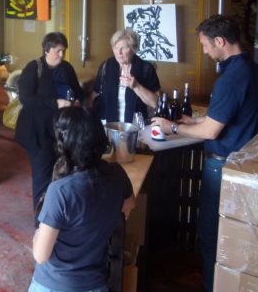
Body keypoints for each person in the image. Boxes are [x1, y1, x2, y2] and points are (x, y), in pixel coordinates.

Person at [152, 15, 258, 291]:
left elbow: (211, 132)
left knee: (213, 236)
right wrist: (192, 122)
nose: (204, 51)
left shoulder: (232, 78)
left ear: (220, 41)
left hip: (223, 167)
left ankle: (213, 285)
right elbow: (230, 119)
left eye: (205, 45)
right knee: (231, 239)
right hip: (243, 167)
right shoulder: (253, 71)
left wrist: (173, 129)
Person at [30, 107, 135, 292]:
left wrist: (38, 234)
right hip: (96, 284)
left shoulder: (60, 191)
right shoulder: (117, 173)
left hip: (56, 284)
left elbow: (40, 255)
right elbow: (129, 205)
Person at [14, 32, 84, 224]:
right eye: (58, 51)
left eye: (63, 51)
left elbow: (78, 92)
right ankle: (41, 222)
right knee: (43, 174)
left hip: (61, 131)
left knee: (63, 172)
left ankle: (59, 215)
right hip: (38, 132)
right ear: (47, 50)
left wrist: (77, 100)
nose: (61, 55)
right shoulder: (33, 68)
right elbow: (26, 99)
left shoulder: (67, 68)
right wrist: (55, 103)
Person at [91, 28, 160, 123]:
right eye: (115, 47)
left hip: (136, 127)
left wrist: (136, 86)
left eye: (123, 48)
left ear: (133, 49)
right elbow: (95, 95)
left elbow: (156, 103)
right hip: (108, 126)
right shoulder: (106, 66)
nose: (119, 52)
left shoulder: (146, 68)